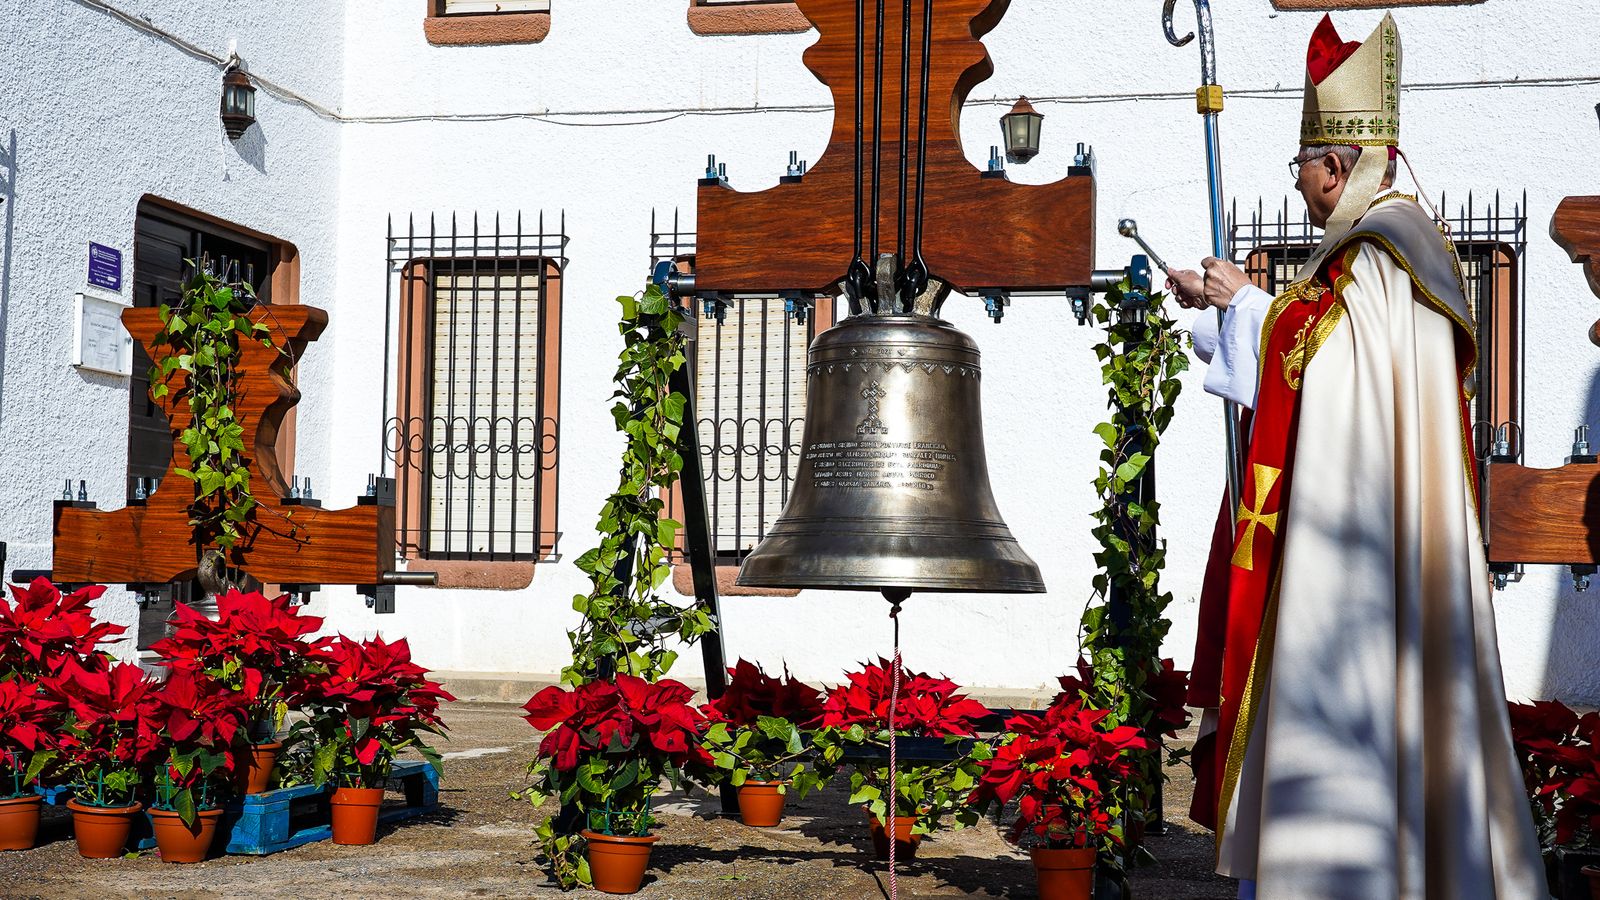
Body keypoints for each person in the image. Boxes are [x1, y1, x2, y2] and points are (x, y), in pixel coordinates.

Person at [1166, 14, 1547, 899]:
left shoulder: (1389, 247)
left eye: (1300, 170)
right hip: (1366, 533)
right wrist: (1228, 312)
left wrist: (1251, 308)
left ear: (1335, 166)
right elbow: (1329, 366)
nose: (1298, 188)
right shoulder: (1372, 248)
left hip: (1369, 562)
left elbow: (1335, 365)